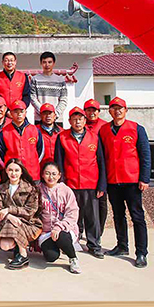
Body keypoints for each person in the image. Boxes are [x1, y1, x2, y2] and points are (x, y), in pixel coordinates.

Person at [99, 96, 151, 267]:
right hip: (113, 181)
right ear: (110, 111)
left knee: (137, 216)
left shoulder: (136, 129)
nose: (117, 111)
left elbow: (145, 155)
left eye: (120, 108)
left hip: (132, 181)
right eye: (114, 108)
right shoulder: (104, 130)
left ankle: (141, 252)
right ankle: (122, 245)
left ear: (126, 110)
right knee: (118, 215)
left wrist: (144, 178)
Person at [55, 106, 107, 258]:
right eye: (74, 119)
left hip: (91, 183)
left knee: (92, 217)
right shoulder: (62, 137)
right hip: (70, 184)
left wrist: (101, 184)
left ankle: (94, 245)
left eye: (80, 119)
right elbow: (59, 161)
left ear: (85, 120)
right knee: (72, 216)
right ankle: (72, 242)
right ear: (69, 121)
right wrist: (61, 183)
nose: (77, 122)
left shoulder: (94, 137)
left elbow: (101, 162)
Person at [0, 158, 42, 270]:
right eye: (10, 170)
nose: (13, 173)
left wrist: (9, 210)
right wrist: (9, 216)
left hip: (29, 223)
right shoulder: (2, 188)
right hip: (8, 222)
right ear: (6, 171)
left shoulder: (30, 189)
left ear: (21, 172)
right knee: (5, 245)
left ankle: (23, 255)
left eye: (16, 170)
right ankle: (18, 249)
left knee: (14, 223)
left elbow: (30, 211)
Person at [37, 160, 81, 274]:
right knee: (51, 257)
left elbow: (72, 213)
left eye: (54, 174)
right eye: (47, 173)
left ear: (59, 175)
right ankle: (62, 247)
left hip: (64, 229)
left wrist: (58, 227)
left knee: (61, 236)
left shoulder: (66, 191)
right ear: (42, 175)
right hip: (46, 231)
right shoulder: (38, 190)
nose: (50, 177)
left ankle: (73, 258)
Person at [0, 100, 44, 180]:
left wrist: (33, 163)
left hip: (32, 173)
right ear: (10, 113)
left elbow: (40, 151)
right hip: (13, 176)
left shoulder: (35, 130)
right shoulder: (4, 132)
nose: (19, 114)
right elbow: (0, 155)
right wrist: (9, 167)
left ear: (25, 112)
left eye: (21, 111)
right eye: (15, 112)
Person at [85, 98, 109, 232]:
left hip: (102, 165)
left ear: (99, 112)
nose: (92, 113)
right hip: (86, 168)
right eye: (89, 110)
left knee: (101, 201)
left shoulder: (105, 126)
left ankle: (99, 231)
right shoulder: (80, 125)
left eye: (94, 110)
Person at [30, 51, 68, 120]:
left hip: (56, 119)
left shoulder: (60, 80)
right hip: (40, 118)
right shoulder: (35, 79)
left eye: (49, 62)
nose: (47, 65)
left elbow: (63, 99)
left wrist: (55, 113)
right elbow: (33, 98)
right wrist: (43, 112)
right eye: (44, 62)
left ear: (54, 63)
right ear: (41, 63)